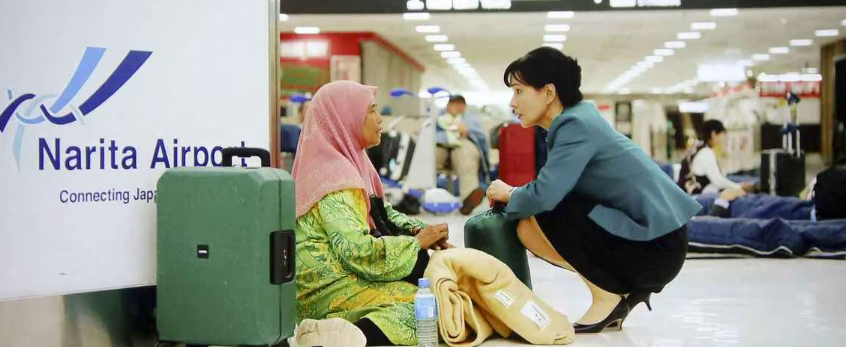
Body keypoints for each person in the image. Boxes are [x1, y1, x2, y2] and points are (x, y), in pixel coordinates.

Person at [485, 47, 702, 334]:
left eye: (518, 91)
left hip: (657, 248)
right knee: (538, 212)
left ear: (548, 93)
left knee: (544, 212)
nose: (512, 102)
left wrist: (510, 194)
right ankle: (616, 294)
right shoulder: (576, 121)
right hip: (657, 240)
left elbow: (544, 195)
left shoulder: (576, 126)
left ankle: (608, 296)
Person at [292, 81, 452, 346]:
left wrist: (417, 230)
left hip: (343, 274)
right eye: (372, 111)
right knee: (429, 308)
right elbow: (358, 252)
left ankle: (344, 331)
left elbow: (381, 212)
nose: (380, 120)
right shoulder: (336, 179)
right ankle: (331, 332)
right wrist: (415, 244)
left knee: (434, 299)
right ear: (346, 119)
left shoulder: (353, 163)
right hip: (326, 288)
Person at [436, 95, 485, 215]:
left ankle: (469, 197)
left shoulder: (470, 119)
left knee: (464, 153)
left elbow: (481, 138)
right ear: (448, 106)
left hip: (461, 148)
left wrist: (467, 131)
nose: (457, 107)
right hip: (440, 148)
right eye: (454, 104)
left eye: (460, 104)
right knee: (427, 152)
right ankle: (417, 194)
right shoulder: (437, 117)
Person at [678, 119, 748, 195]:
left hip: (689, 192)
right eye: (722, 135)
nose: (722, 139)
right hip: (698, 195)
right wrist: (738, 187)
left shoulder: (696, 147)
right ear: (713, 134)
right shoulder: (706, 152)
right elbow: (717, 180)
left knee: (737, 181)